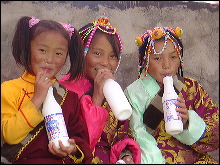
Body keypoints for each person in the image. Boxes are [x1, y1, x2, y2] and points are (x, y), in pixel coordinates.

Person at [1, 16, 93, 164]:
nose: (50, 59)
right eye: (42, 50)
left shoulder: (69, 98)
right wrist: (37, 99)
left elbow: (81, 139)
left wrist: (72, 148)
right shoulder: (9, 89)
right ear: (28, 49)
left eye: (58, 53)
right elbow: (9, 135)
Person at [124, 26, 219, 164]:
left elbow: (215, 131)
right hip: (154, 159)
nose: (167, 65)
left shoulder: (192, 88)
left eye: (173, 57)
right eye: (157, 58)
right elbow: (135, 135)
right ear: (145, 62)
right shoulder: (134, 93)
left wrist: (188, 123)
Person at [59, 14, 141, 164]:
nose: (105, 63)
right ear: (80, 54)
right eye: (97, 53)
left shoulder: (113, 90)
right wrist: (97, 97)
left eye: (113, 56)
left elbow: (121, 132)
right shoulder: (64, 91)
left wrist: (125, 155)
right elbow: (81, 141)